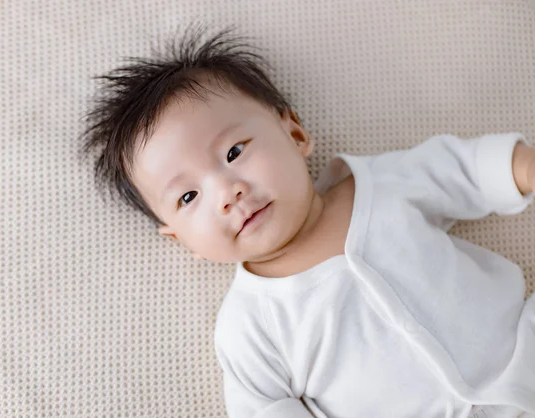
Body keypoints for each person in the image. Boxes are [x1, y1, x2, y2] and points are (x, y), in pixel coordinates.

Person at [79, 23, 535, 418]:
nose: (227, 192)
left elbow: (458, 169)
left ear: (294, 132)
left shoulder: (376, 186)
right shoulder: (249, 326)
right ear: (183, 241)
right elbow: (263, 406)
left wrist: (521, 166)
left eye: (234, 152)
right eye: (189, 196)